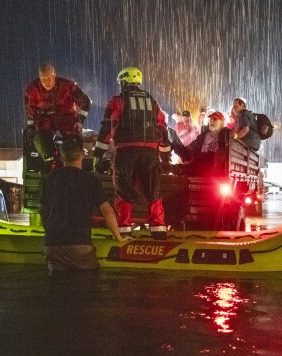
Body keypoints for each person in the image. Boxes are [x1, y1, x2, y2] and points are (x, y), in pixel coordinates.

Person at [93, 66, 171, 239]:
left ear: (123, 82)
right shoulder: (152, 102)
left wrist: (98, 155)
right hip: (150, 153)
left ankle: (123, 231)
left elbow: (107, 128)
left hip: (126, 152)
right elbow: (163, 130)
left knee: (124, 191)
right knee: (153, 192)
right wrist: (165, 157)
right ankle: (159, 231)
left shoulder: (117, 101)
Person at [40, 139, 127, 272]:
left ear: (62, 156)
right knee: (88, 280)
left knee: (57, 285)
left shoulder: (49, 179)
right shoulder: (91, 180)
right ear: (81, 155)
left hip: (51, 245)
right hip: (79, 244)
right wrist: (118, 237)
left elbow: (43, 211)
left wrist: (51, 233)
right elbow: (107, 211)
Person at [24, 62, 92, 164]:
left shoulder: (68, 87)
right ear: (39, 77)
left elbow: (85, 101)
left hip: (67, 121)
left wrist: (79, 121)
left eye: (49, 78)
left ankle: (72, 165)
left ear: (54, 75)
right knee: (40, 142)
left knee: (73, 148)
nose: (46, 82)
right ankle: (51, 164)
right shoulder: (33, 90)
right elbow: (30, 110)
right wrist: (31, 129)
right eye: (43, 79)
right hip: (45, 122)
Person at [175, 111, 231, 176]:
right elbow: (195, 144)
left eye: (215, 119)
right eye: (210, 119)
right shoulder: (204, 135)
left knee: (198, 164)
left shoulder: (225, 133)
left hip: (213, 161)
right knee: (192, 158)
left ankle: (181, 169)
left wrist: (232, 134)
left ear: (221, 122)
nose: (211, 121)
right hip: (201, 159)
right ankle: (179, 166)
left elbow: (231, 134)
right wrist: (186, 150)